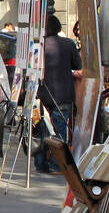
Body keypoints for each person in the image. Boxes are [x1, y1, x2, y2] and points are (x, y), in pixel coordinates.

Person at [35, 13, 83, 174]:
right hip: (63, 93)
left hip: (44, 93)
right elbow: (77, 64)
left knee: (44, 128)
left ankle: (40, 162)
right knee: (60, 131)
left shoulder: (40, 46)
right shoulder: (68, 44)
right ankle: (56, 163)